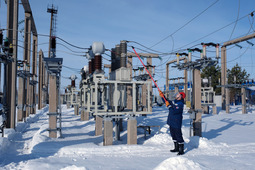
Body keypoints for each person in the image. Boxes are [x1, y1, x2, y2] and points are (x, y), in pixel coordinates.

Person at [159, 91, 186, 155]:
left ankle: (181, 150)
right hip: (171, 121)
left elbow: (174, 111)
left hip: (176, 122)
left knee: (178, 136)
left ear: (180, 97)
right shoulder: (175, 102)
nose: (176, 95)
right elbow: (167, 101)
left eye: (178, 95)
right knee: (173, 135)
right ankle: (176, 148)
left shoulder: (180, 104)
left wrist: (169, 106)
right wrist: (162, 96)